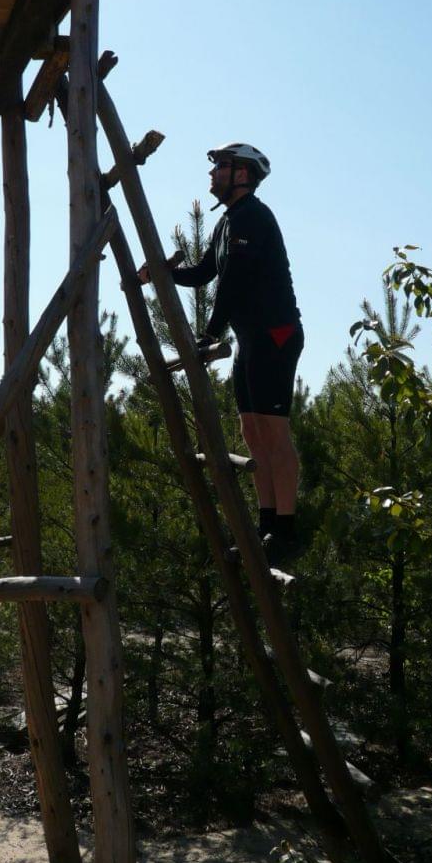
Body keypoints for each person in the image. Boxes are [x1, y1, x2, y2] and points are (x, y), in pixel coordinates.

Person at [139, 143, 304, 567]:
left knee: (273, 431)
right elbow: (204, 273)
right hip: (252, 338)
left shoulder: (253, 217)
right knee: (252, 430)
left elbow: (233, 282)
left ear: (242, 174)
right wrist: (163, 273)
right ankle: (267, 523)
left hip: (276, 333)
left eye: (221, 167)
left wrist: (210, 332)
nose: (212, 175)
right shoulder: (228, 221)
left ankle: (285, 530)